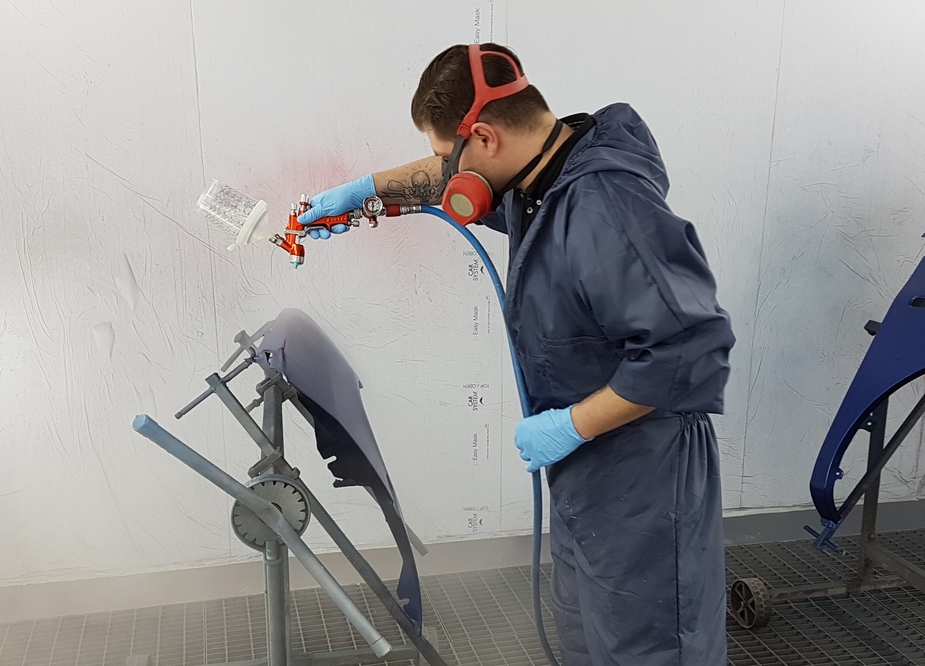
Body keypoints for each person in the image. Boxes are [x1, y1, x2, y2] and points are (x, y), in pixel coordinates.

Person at [297, 43, 735, 666]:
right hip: (589, 472)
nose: (443, 172)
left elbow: (691, 350)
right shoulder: (540, 181)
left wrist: (571, 425)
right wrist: (366, 193)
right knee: (588, 636)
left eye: (446, 155)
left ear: (484, 136)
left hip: (646, 474)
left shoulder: (607, 207)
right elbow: (450, 182)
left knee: (651, 646)